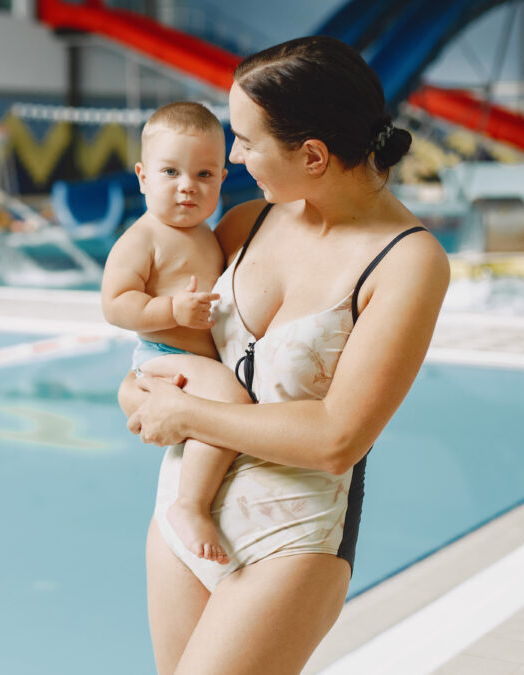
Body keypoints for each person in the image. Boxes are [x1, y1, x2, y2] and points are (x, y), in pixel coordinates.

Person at [119, 36, 450, 675]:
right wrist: (136, 390)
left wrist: (183, 416)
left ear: (314, 155)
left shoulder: (407, 262)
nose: (235, 157)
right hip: (182, 512)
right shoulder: (247, 224)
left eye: (246, 141)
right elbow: (171, 348)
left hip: (292, 537)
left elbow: (336, 438)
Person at [102, 101, 254, 566]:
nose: (188, 187)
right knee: (229, 404)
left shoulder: (210, 234)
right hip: (161, 353)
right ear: (143, 176)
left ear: (222, 181)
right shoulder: (142, 238)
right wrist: (172, 309)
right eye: (171, 172)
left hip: (195, 361)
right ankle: (189, 505)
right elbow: (115, 304)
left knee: (220, 405)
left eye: (204, 175)